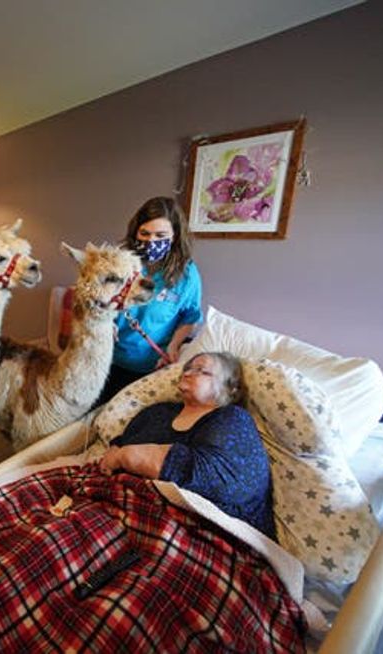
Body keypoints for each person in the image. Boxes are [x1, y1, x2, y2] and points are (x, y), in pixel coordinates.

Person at [99, 352, 275, 538]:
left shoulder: (233, 418)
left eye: (201, 370)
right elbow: (120, 444)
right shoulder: (157, 412)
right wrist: (115, 454)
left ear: (230, 387)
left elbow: (223, 480)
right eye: (187, 368)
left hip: (207, 535)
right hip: (120, 504)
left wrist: (124, 457)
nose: (187, 373)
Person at [97, 196, 203, 404]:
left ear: (174, 236)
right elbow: (97, 300)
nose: (151, 241)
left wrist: (174, 346)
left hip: (152, 368)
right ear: (136, 232)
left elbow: (190, 316)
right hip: (109, 360)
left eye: (160, 235)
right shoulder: (119, 263)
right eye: (145, 234)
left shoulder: (187, 275)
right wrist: (105, 321)